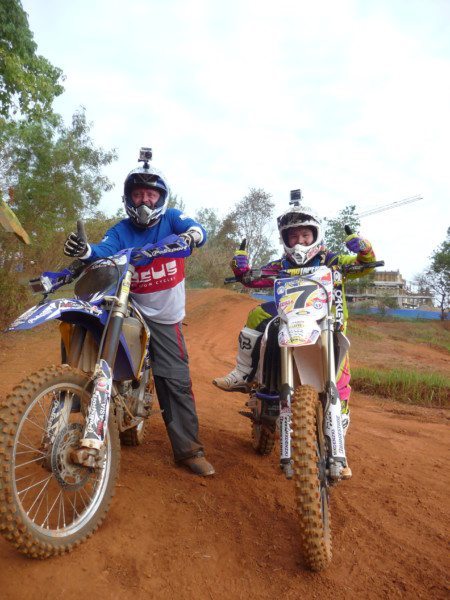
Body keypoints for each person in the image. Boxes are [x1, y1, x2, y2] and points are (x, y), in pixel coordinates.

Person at [63, 155, 214, 476]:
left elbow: (197, 229)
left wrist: (191, 237)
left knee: (174, 379)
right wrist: (85, 251)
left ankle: (188, 450)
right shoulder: (121, 229)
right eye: (138, 194)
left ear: (161, 198)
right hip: (126, 304)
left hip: (164, 316)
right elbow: (103, 250)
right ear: (129, 197)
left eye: (151, 194)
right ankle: (69, 394)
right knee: (81, 323)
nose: (145, 200)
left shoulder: (172, 219)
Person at [212, 205, 376, 479]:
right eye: (293, 237)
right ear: (285, 240)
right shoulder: (281, 266)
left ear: (315, 235)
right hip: (291, 321)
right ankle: (242, 372)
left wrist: (364, 248)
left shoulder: (333, 260)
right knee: (256, 313)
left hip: (329, 325)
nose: (299, 242)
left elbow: (365, 265)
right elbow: (251, 279)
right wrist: (240, 266)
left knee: (341, 385)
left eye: (305, 235)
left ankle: (338, 449)